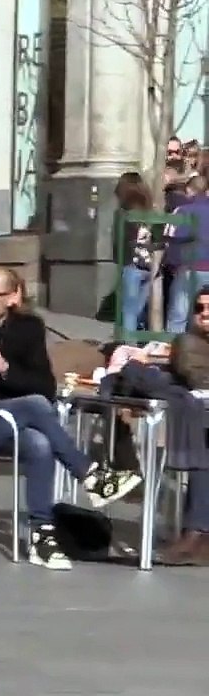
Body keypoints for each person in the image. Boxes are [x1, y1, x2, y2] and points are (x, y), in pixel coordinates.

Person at [0, 267, 142, 570]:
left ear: (12, 297)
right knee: (34, 406)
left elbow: (45, 387)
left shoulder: (28, 328)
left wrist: (5, 370)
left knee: (39, 443)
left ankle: (41, 536)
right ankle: (90, 475)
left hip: (8, 427)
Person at [160, 285, 209, 565]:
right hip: (201, 416)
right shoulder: (188, 342)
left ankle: (197, 533)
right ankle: (197, 533)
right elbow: (199, 379)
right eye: (199, 308)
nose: (205, 314)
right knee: (205, 455)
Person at [114, 172, 158, 334]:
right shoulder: (151, 212)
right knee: (138, 310)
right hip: (149, 266)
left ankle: (129, 344)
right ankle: (135, 339)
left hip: (131, 265)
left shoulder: (122, 213)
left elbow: (119, 241)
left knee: (129, 311)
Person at [165, 175, 209, 333]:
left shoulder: (182, 210)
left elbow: (171, 238)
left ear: (189, 190)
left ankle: (176, 345)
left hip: (189, 267)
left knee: (179, 314)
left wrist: (172, 265)